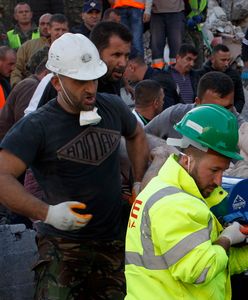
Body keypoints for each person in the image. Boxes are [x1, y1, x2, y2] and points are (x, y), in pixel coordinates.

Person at [0, 33, 149, 299]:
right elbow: (2, 176)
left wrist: (138, 181)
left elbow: (136, 134)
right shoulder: (38, 125)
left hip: (112, 243)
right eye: (79, 81)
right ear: (57, 82)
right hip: (62, 248)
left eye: (92, 78)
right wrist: (46, 212)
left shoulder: (112, 107)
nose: (90, 88)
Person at [125, 104, 248, 300]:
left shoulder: (173, 190)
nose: (219, 181)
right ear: (187, 160)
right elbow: (200, 269)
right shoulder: (175, 203)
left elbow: (214, 259)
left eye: (223, 171)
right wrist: (227, 238)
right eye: (214, 170)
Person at [145, 71, 243, 140]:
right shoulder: (175, 116)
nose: (223, 115)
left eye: (227, 108)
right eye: (214, 109)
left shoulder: (240, 129)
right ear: (198, 102)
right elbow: (141, 137)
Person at [197, 44, 245, 113]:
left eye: (228, 60)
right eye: (223, 60)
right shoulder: (201, 74)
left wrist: (231, 114)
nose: (226, 64)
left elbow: (240, 99)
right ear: (213, 59)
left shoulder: (234, 75)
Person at [90, 21, 132, 95]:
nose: (123, 63)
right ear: (96, 52)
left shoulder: (111, 75)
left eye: (126, 56)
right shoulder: (85, 93)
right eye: (117, 55)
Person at [10, 13, 52, 87]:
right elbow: (16, 69)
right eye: (42, 24)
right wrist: (17, 86)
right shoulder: (27, 46)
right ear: (38, 26)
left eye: (48, 24)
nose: (45, 26)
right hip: (31, 88)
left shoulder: (61, 45)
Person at [150, 0, 185, 69]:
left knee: (176, 46)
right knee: (156, 46)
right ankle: (157, 71)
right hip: (156, 12)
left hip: (176, 12)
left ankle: (176, 73)